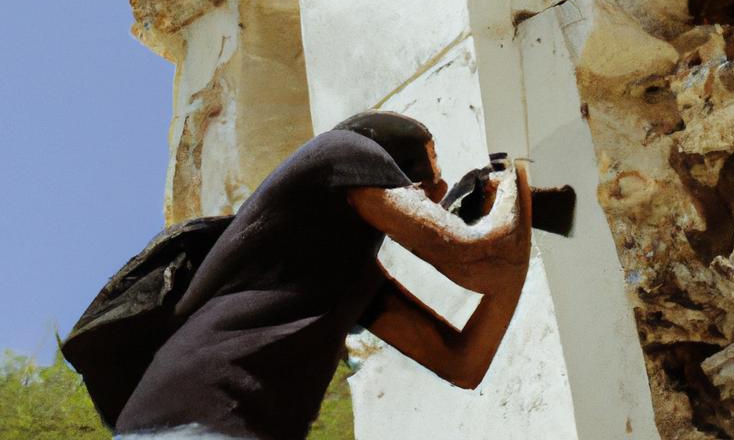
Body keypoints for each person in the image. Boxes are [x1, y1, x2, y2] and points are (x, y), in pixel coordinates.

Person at [111, 110, 532, 440]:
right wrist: (515, 182)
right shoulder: (339, 151)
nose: (437, 194)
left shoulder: (350, 274)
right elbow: (474, 261)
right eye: (428, 178)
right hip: (189, 424)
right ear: (383, 163)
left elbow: (463, 363)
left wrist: (511, 245)